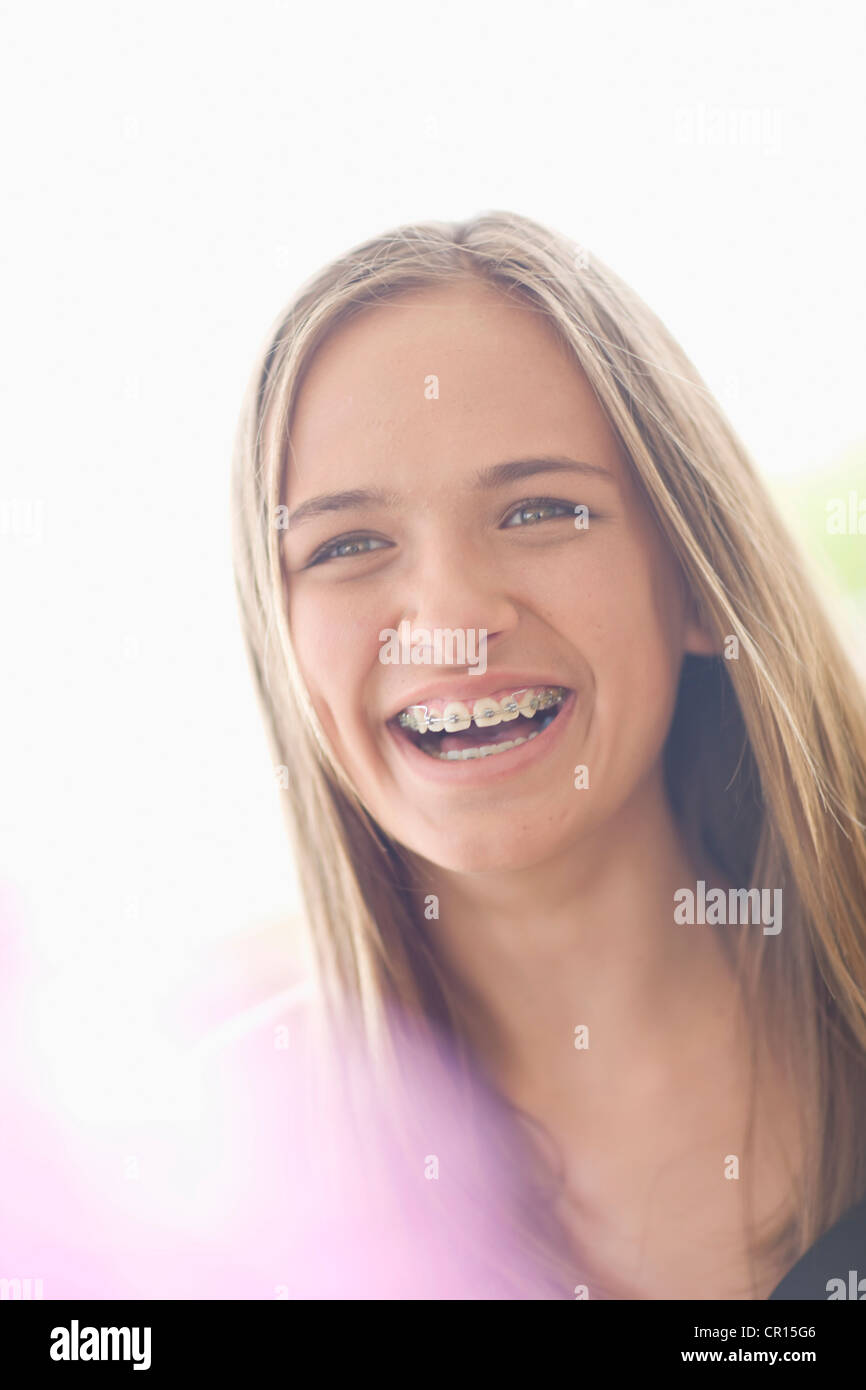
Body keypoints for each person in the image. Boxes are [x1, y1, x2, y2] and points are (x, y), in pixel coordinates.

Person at [229, 211, 866, 1299]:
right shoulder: (213, 1173)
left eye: (538, 510)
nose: (448, 619)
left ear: (699, 586)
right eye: (346, 544)